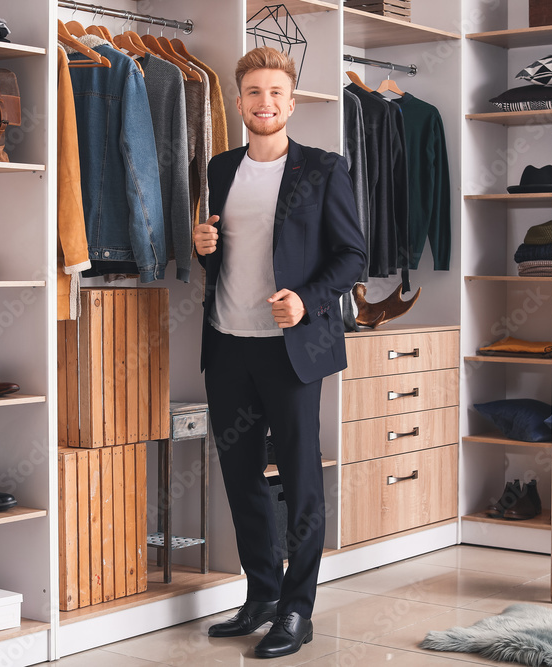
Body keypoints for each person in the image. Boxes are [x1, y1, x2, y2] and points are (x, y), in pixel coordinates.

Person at [194, 46, 366, 659]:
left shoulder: (323, 168)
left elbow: (352, 255)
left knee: (299, 479)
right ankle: (262, 596)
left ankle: (297, 610)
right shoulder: (220, 168)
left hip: (291, 350)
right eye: (253, 93)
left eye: (275, 93)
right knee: (241, 479)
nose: (264, 102)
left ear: (292, 103)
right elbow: (228, 257)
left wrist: (308, 301)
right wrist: (205, 246)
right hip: (228, 344)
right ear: (239, 102)